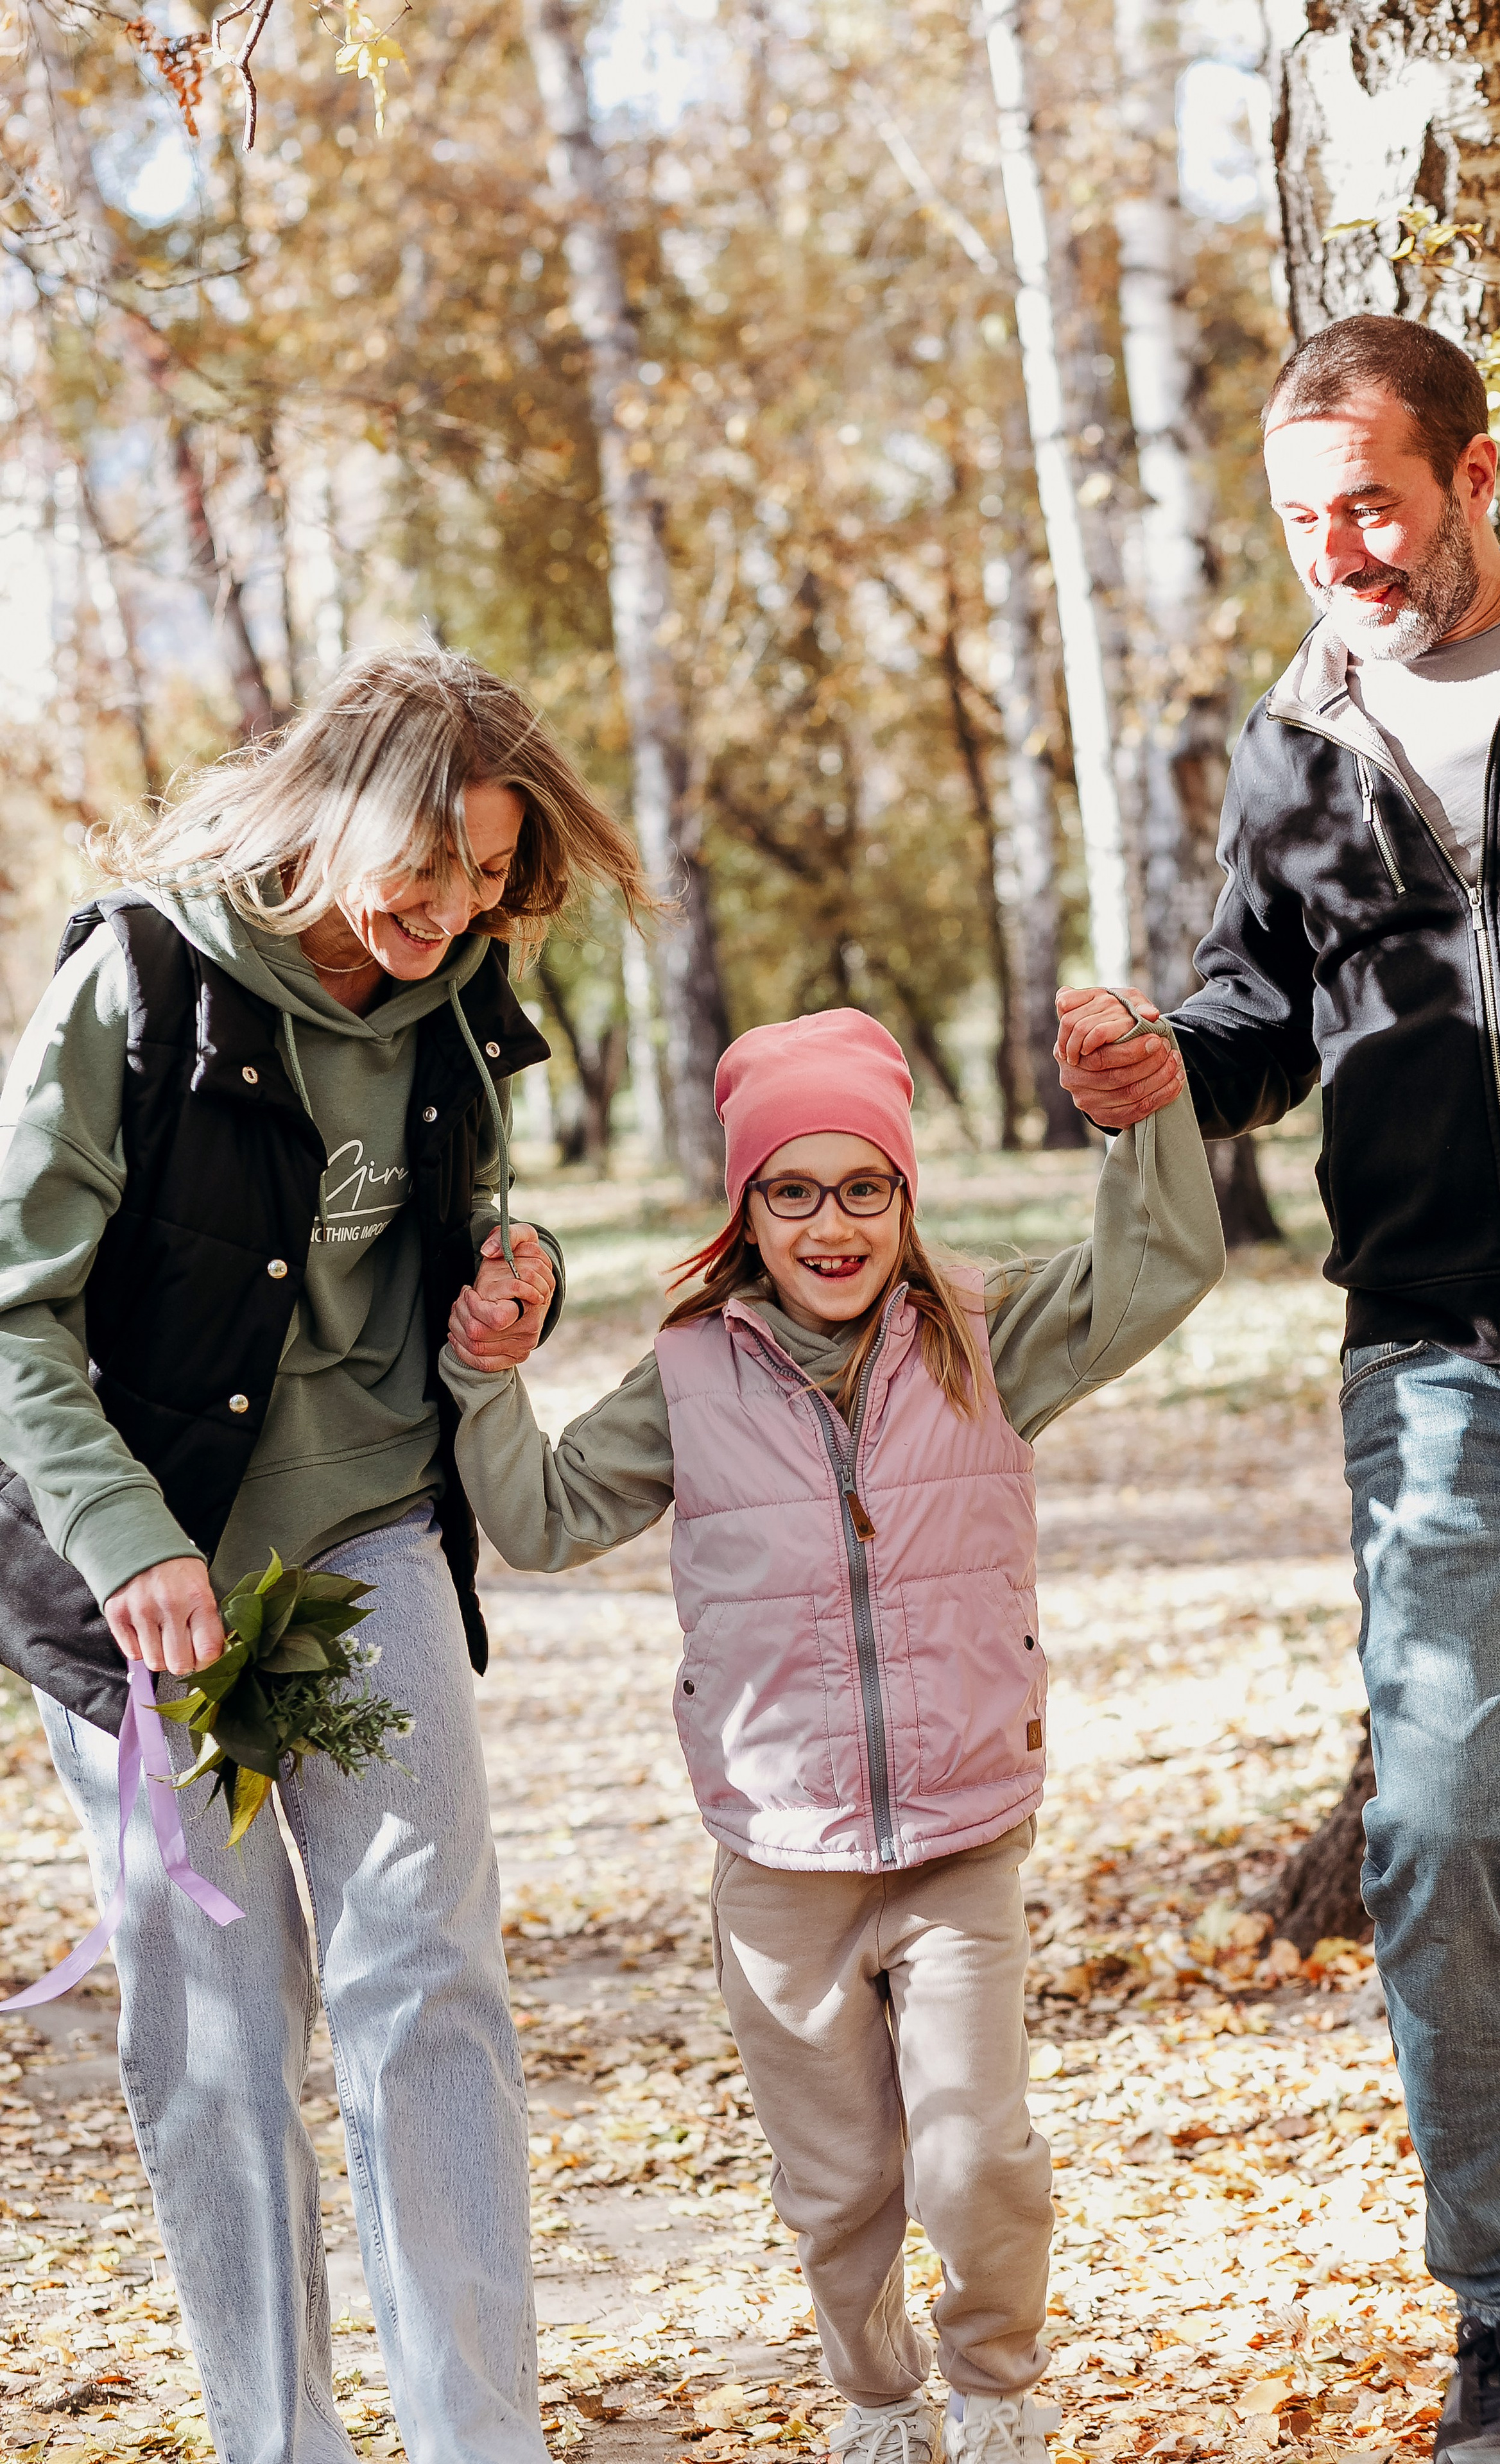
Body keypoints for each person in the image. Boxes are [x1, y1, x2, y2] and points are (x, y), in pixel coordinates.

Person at [1055, 311, 1500, 2464]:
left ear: (1485, 476)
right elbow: (1256, 1013)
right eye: (1308, 521)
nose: (1345, 550)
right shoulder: (1294, 746)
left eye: (1375, 503)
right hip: (1436, 1383)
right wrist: (1165, 1068)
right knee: (1441, 1837)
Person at [0, 645, 644, 2464]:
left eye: (488, 878)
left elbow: (451, 1228)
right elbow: (13, 1319)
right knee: (215, 2029)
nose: (447, 915)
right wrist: (129, 1540)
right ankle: (278, 2444)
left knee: (428, 1983)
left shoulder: (455, 997)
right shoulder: (138, 980)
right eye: (419, 873)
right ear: (322, 819)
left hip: (369, 1532)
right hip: (145, 1579)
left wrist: (514, 1292)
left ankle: (478, 2444)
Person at [439, 1000, 1223, 2464]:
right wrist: (485, 1376)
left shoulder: (985, 1339)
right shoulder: (688, 1374)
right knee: (838, 2181)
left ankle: (994, 2378)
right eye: (789, 1191)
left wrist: (1139, 1113)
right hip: (777, 1864)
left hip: (958, 1836)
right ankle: (876, 2399)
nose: (831, 1223)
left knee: (976, 2149)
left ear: (904, 1197)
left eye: (863, 1186)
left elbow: (1165, 1259)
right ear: (745, 1210)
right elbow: (540, 1519)